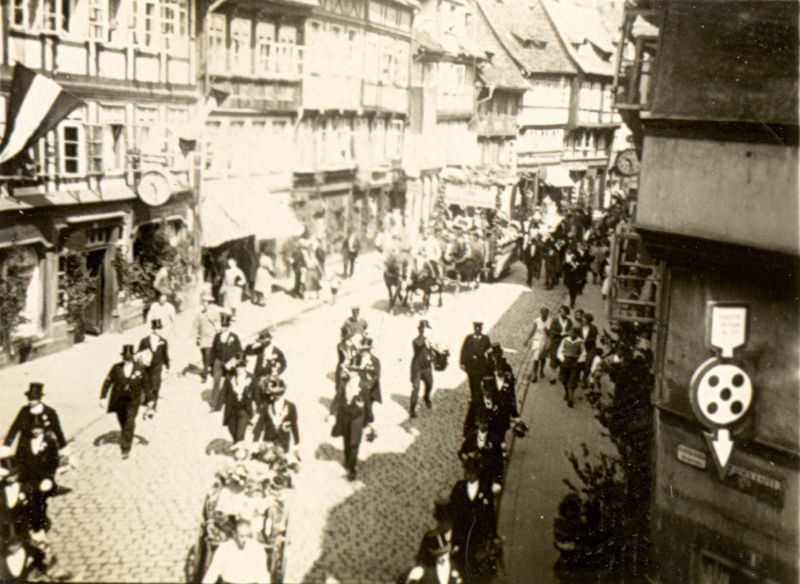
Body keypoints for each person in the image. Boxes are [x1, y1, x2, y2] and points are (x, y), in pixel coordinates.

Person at [13, 415, 60, 576]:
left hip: (43, 481)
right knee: (24, 504)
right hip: (28, 480)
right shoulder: (25, 441)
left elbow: (53, 463)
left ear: (43, 429)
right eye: (33, 428)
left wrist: (48, 478)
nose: (36, 431)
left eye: (38, 428)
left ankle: (39, 530)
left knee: (39, 503)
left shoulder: (50, 442)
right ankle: (34, 531)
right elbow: (18, 460)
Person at [99, 344, 153, 459]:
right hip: (119, 400)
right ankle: (126, 434)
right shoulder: (116, 368)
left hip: (133, 401)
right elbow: (107, 382)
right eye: (125, 357)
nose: (127, 359)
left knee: (130, 421)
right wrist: (103, 397)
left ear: (133, 356)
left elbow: (146, 386)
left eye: (129, 357)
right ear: (122, 357)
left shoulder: (140, 369)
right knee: (122, 420)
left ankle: (125, 448)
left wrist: (150, 400)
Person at [450, 456, 498, 583]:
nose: (467, 475)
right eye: (466, 472)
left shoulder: (485, 489)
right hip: (462, 534)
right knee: (461, 565)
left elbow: (490, 514)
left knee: (477, 565)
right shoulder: (459, 487)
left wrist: (493, 535)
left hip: (478, 535)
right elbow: (453, 512)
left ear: (477, 473)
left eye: (471, 473)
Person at [330, 360, 378, 481]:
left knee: (354, 443)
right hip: (345, 416)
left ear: (357, 373)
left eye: (352, 371)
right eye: (349, 370)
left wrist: (368, 421)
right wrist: (332, 412)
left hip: (357, 418)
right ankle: (347, 461)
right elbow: (337, 398)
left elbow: (367, 404)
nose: (348, 372)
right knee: (346, 440)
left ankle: (352, 468)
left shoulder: (363, 386)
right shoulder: (343, 384)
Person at [202, 518, 271, 584]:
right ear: (234, 534)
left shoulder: (257, 549)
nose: (245, 540)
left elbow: (263, 575)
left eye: (247, 536)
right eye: (241, 536)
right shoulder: (224, 548)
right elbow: (213, 572)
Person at [4, 383, 67, 454]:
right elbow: (15, 428)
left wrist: (63, 446)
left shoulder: (50, 412)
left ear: (39, 398)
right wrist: (7, 445)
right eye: (29, 398)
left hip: (45, 446)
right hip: (25, 445)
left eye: (34, 399)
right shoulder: (24, 411)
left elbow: (57, 430)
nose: (30, 401)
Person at [252, 378, 299, 455]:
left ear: (283, 392)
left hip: (283, 442)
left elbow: (294, 425)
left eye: (279, 393)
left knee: (277, 454)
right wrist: (255, 441)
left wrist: (297, 444)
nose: (277, 396)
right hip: (268, 440)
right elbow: (260, 424)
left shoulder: (291, 406)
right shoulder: (267, 405)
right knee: (266, 454)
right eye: (274, 393)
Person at [459, 322, 492, 430]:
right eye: (476, 328)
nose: (478, 329)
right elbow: (463, 350)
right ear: (474, 328)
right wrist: (462, 362)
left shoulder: (485, 339)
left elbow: (489, 351)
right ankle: (474, 396)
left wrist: (488, 362)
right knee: (472, 383)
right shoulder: (469, 338)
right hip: (471, 367)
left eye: (479, 328)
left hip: (480, 368)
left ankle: (476, 400)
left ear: (481, 329)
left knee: (478, 385)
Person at [209, 314, 243, 412]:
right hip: (218, 361)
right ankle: (214, 402)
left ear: (229, 326)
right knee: (216, 381)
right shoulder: (217, 336)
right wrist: (211, 364)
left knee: (229, 382)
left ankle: (230, 401)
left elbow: (239, 351)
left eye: (226, 326)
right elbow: (213, 350)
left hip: (230, 362)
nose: (224, 328)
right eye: (222, 326)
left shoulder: (234, 337)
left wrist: (233, 363)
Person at [137, 319, 170, 410]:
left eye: (160, 328)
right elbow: (139, 353)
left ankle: (153, 405)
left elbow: (165, 354)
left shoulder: (163, 341)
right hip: (147, 367)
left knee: (156, 384)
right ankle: (147, 400)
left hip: (157, 366)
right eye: (157, 328)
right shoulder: (145, 341)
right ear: (153, 329)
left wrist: (167, 365)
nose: (159, 330)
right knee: (147, 384)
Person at [221, 357, 255, 443]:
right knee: (233, 430)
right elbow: (223, 392)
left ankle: (241, 452)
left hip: (244, 410)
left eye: (242, 367)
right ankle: (239, 447)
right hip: (231, 409)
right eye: (237, 367)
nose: (239, 369)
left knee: (240, 434)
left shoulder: (251, 378)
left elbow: (257, 394)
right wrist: (219, 405)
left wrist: (259, 408)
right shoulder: (230, 378)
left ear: (245, 367)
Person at [193, 292, 221, 383]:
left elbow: (218, 325)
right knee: (204, 356)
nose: (204, 304)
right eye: (203, 302)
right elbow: (196, 326)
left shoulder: (214, 313)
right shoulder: (199, 314)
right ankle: (209, 368)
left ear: (209, 303)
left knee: (208, 354)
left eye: (206, 302)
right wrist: (197, 337)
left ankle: (205, 374)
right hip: (203, 338)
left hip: (211, 337)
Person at [409, 320, 434, 419]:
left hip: (427, 367)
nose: (425, 330)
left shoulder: (430, 341)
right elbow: (418, 345)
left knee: (430, 384)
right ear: (420, 330)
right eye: (424, 329)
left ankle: (426, 397)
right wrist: (425, 341)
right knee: (416, 389)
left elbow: (433, 353)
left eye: (427, 329)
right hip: (417, 367)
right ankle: (412, 409)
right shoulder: (416, 340)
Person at [558, 327, 584, 408]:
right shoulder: (565, 340)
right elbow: (560, 350)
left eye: (574, 333)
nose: (572, 335)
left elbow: (584, 353)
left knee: (572, 380)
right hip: (565, 361)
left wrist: (579, 360)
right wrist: (562, 359)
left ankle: (571, 398)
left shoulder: (580, 342)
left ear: (577, 334)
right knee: (563, 379)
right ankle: (567, 392)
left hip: (574, 362)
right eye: (571, 333)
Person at [525, 307, 551, 383]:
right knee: (536, 358)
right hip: (537, 340)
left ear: (548, 313)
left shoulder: (550, 321)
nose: (544, 314)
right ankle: (534, 374)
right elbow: (533, 331)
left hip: (545, 340)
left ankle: (541, 370)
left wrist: (547, 332)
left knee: (543, 357)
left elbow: (551, 333)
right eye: (543, 313)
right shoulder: (537, 321)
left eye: (546, 313)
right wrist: (527, 339)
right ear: (540, 313)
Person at [548, 306, 572, 384]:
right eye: (561, 311)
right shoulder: (555, 320)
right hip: (556, 342)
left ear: (567, 312)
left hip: (565, 342)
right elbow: (551, 331)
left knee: (562, 358)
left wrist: (568, 334)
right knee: (554, 358)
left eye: (564, 311)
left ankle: (561, 375)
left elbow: (571, 331)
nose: (563, 313)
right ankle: (552, 376)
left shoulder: (569, 321)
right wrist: (560, 334)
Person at [578, 312, 599, 389]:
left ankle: (584, 379)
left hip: (590, 348)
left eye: (584, 319)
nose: (582, 320)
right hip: (580, 348)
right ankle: (576, 377)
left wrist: (585, 341)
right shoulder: (579, 327)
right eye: (583, 319)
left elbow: (594, 338)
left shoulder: (594, 328)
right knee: (579, 363)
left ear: (588, 321)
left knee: (588, 364)